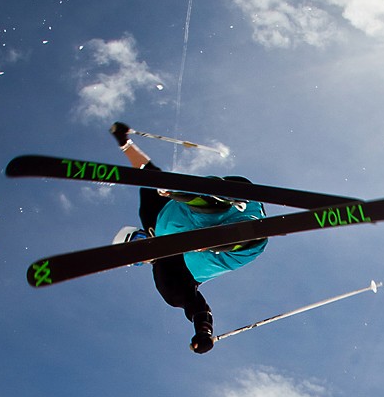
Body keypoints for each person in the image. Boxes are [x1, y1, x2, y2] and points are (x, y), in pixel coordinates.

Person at [110, 122, 267, 353]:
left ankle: (208, 201)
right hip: (239, 238)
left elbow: (146, 170)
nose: (142, 250)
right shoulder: (166, 279)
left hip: (232, 198)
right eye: (136, 256)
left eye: (137, 241)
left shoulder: (151, 215)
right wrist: (204, 332)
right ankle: (228, 239)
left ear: (140, 233)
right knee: (178, 283)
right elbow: (196, 308)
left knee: (166, 220)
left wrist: (125, 143)